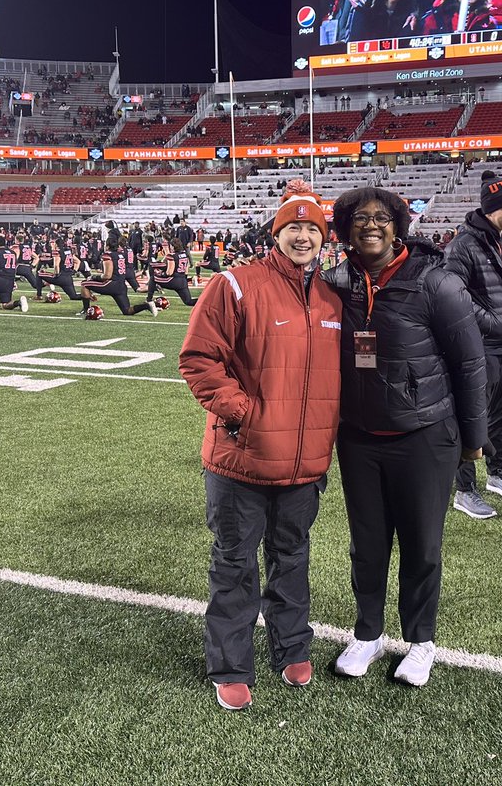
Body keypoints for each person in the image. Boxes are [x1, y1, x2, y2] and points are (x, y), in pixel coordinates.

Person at [179, 184, 341, 712]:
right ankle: (230, 662)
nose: (302, 235)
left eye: (312, 228)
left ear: (323, 237)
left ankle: (292, 646)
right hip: (241, 460)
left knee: (292, 558)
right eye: (292, 227)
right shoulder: (237, 285)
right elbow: (198, 359)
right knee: (234, 563)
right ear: (276, 233)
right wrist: (246, 415)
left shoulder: (333, 299)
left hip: (303, 465)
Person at [324, 186, 486, 688]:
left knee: (422, 545)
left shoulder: (435, 282)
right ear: (346, 229)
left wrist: (473, 439)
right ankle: (368, 633)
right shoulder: (334, 282)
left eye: (381, 218)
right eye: (359, 219)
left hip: (424, 434)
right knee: (367, 546)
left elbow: (470, 362)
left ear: (398, 225)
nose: (370, 226)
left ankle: (421, 641)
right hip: (359, 436)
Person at [443, 171, 502, 519]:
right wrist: (492, 323)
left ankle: (497, 473)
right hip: (479, 346)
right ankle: (464, 490)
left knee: (501, 412)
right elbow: (452, 297)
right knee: (471, 416)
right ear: (487, 211)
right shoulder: (464, 245)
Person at [82, 234, 158, 317]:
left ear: (107, 246)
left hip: (111, 284)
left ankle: (86, 310)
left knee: (85, 284)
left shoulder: (107, 255)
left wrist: (93, 277)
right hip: (121, 285)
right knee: (127, 311)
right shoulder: (120, 255)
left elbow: (107, 276)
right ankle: (146, 305)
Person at [147, 237, 197, 307]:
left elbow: (169, 273)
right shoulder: (184, 254)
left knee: (153, 278)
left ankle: (149, 300)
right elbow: (186, 270)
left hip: (174, 280)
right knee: (188, 301)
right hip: (183, 281)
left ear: (173, 246)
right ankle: (205, 301)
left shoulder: (172, 256)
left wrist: (160, 274)